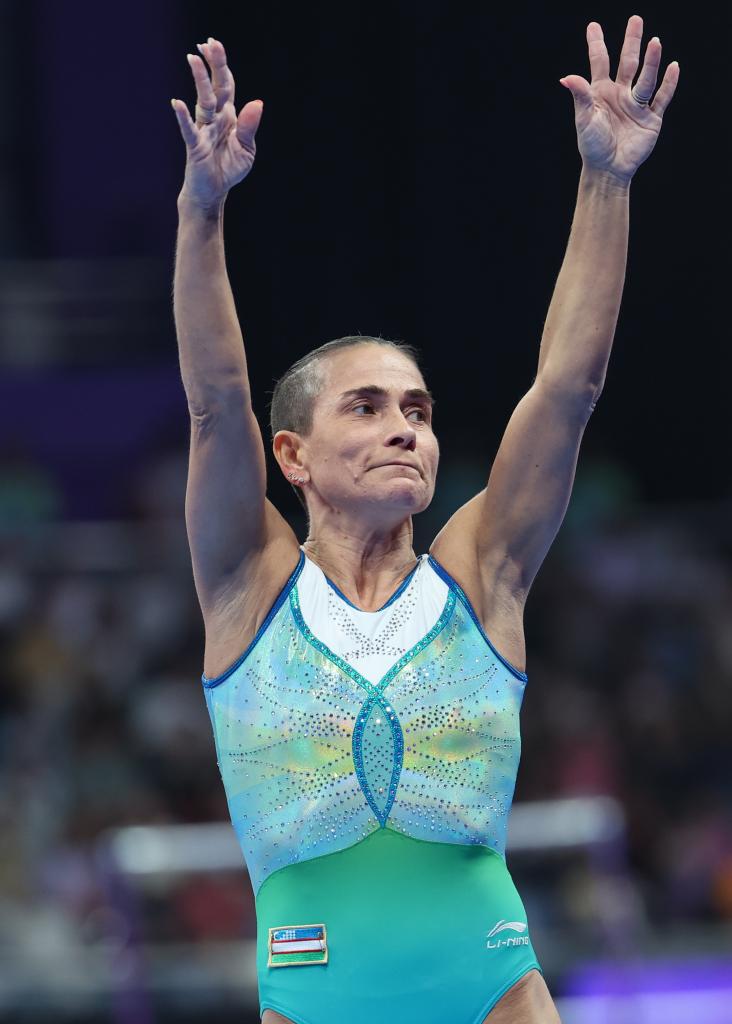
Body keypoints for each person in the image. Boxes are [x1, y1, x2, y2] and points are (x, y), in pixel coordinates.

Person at [170, 14, 678, 1024]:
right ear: (292, 456)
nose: (406, 428)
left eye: (419, 410)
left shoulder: (481, 570)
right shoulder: (248, 584)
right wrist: (202, 209)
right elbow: (217, 402)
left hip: (495, 993)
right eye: (366, 407)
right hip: (315, 1000)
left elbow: (568, 388)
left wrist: (606, 182)